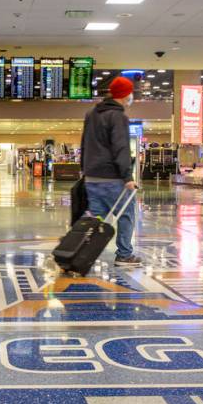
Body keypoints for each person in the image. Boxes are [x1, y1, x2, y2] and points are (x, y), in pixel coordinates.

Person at [80, 76, 140, 266]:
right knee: (126, 214)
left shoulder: (91, 113)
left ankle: (81, 253)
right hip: (112, 178)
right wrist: (127, 177)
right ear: (125, 95)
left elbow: (84, 144)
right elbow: (121, 147)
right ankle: (124, 254)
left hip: (91, 178)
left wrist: (84, 170)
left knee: (95, 219)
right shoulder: (118, 116)